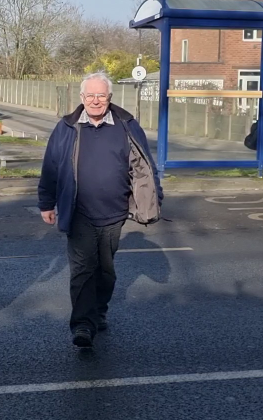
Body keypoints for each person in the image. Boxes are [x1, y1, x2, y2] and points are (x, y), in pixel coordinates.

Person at [38, 72, 163, 349]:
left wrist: (155, 199)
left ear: (109, 98)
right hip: (78, 211)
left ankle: (99, 309)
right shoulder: (67, 127)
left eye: (101, 95)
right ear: (82, 99)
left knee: (105, 270)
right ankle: (82, 324)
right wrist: (46, 202)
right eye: (90, 96)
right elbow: (50, 167)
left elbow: (144, 165)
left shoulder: (126, 125)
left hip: (113, 212)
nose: (96, 101)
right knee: (82, 268)